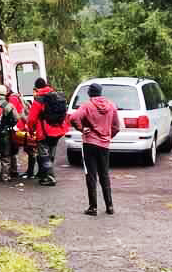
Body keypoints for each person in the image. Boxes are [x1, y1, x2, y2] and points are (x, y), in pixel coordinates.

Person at [69, 82, 121, 216]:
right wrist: (108, 136)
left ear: (89, 93)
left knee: (91, 175)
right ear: (100, 92)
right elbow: (116, 127)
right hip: (104, 145)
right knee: (104, 174)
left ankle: (93, 207)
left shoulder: (87, 106)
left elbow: (73, 118)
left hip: (89, 144)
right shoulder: (111, 106)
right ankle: (110, 206)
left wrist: (82, 129)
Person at [27, 77, 68, 187]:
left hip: (44, 131)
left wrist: (31, 130)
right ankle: (44, 175)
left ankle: (50, 178)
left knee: (44, 155)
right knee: (51, 154)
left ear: (36, 88)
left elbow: (31, 119)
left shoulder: (39, 99)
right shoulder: (56, 96)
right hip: (58, 130)